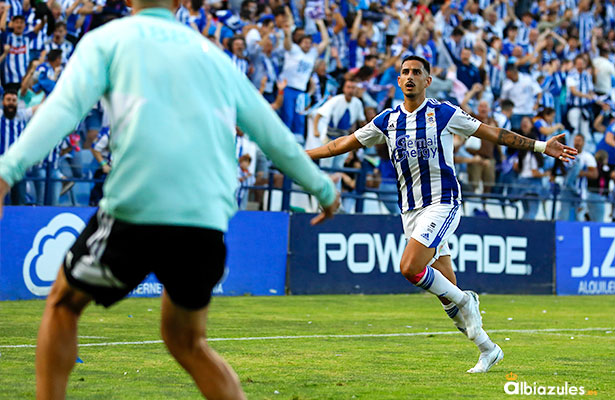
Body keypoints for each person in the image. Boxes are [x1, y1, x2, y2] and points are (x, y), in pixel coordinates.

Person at [0, 0, 339, 398]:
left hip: (137, 210)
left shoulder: (108, 39)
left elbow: (63, 109)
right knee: (187, 341)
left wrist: (7, 171)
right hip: (204, 222)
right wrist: (324, 190)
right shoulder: (215, 58)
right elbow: (274, 136)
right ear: (180, 3)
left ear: (129, 1)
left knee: (63, 304)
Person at [306, 55, 576, 373]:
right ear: (398, 80)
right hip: (410, 211)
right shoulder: (387, 120)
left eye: (416, 72)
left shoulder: (444, 113)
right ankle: (488, 349)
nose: (410, 76)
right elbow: (340, 144)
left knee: (410, 267)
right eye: (405, 72)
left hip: (442, 203)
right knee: (448, 294)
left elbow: (493, 133)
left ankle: (467, 300)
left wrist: (541, 147)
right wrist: (298, 155)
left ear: (427, 80)